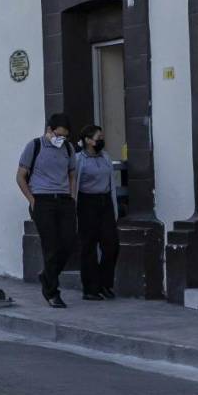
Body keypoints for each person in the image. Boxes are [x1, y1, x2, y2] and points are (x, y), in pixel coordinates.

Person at [16, 112, 78, 309]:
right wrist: (32, 200)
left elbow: (72, 174)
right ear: (49, 130)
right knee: (51, 246)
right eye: (59, 135)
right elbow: (20, 176)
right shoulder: (34, 146)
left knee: (69, 243)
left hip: (64, 200)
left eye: (66, 136)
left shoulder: (67, 148)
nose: (62, 139)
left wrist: (72, 196)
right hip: (42, 200)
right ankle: (52, 291)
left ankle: (47, 276)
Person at [76, 124, 120, 301]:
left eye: (102, 137)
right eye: (98, 138)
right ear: (87, 140)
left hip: (105, 201)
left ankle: (105, 283)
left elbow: (110, 181)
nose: (101, 141)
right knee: (88, 246)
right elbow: (74, 183)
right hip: (87, 202)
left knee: (112, 245)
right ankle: (90, 288)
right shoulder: (79, 159)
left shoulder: (105, 157)